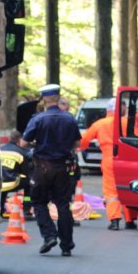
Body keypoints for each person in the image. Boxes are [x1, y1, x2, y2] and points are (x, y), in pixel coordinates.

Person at [21, 84, 81, 257]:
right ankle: (67, 245)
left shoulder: (38, 119)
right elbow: (77, 144)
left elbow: (24, 143)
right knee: (62, 204)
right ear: (58, 97)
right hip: (62, 167)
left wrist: (36, 143)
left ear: (45, 98)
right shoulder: (69, 118)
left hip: (42, 167)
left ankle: (49, 236)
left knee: (39, 202)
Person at [80, 98, 138, 230]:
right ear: (121, 108)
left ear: (108, 110)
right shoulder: (127, 122)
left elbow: (83, 142)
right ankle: (130, 220)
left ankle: (114, 220)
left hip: (109, 159)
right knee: (127, 188)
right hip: (126, 160)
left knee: (111, 191)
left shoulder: (99, 124)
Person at [58, 96, 82, 226]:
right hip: (67, 161)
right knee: (67, 192)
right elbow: (77, 143)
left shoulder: (45, 118)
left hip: (49, 162)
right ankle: (67, 218)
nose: (67, 108)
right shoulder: (70, 120)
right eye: (65, 105)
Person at [0, 130, 33, 219]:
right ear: (19, 140)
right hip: (11, 182)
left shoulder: (0, 149)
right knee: (29, 183)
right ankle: (26, 210)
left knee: (2, 189)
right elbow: (25, 172)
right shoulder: (21, 152)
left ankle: (0, 209)